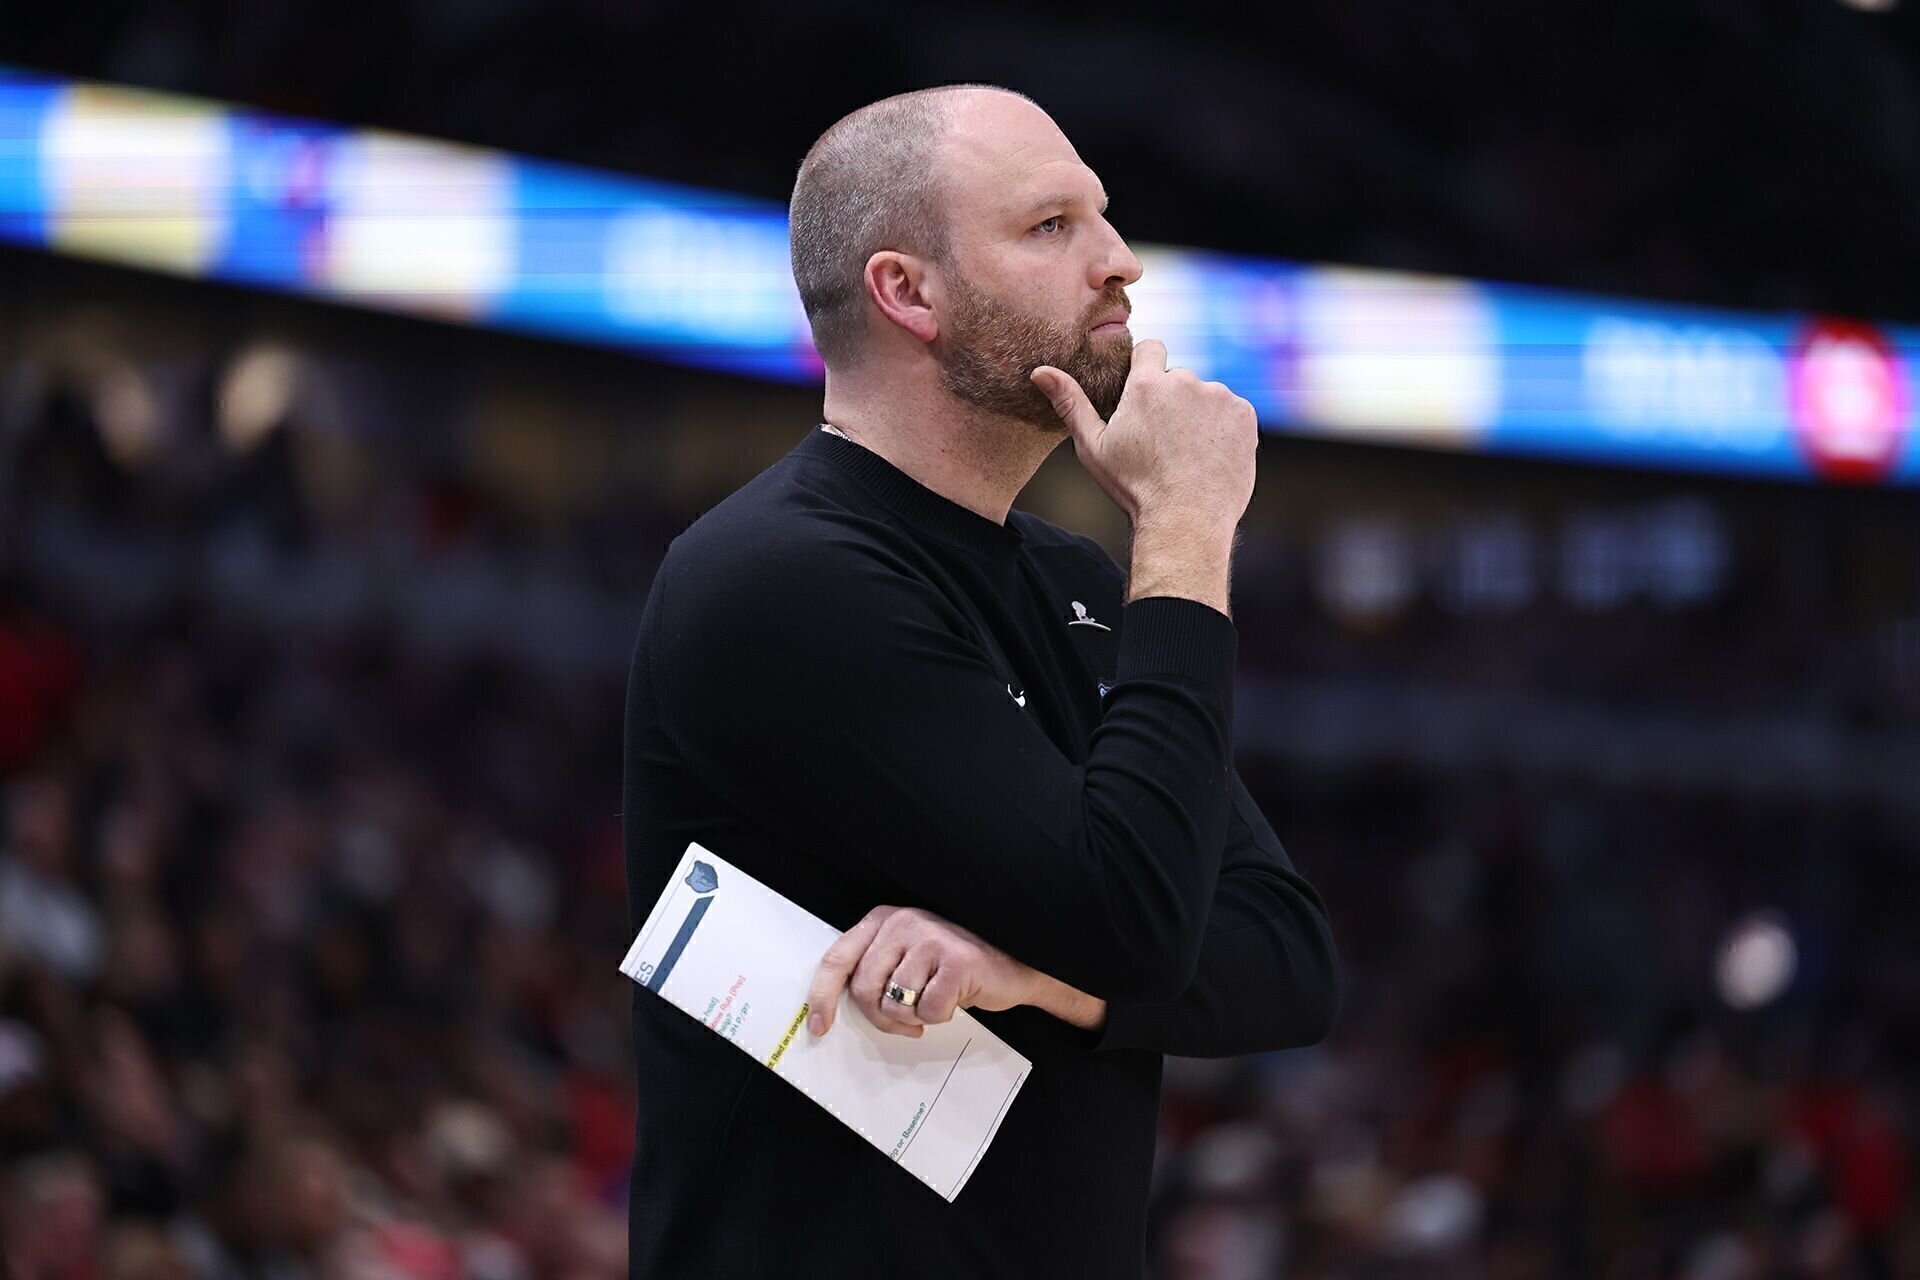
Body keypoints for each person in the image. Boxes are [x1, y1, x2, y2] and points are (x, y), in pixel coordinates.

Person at [621, 84, 1339, 1278]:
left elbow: (1288, 953)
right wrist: (1188, 529)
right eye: (1051, 227)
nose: (1119, 264)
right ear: (909, 292)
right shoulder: (782, 577)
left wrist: (1030, 977)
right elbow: (1136, 922)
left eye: (1102, 219)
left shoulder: (1070, 574)